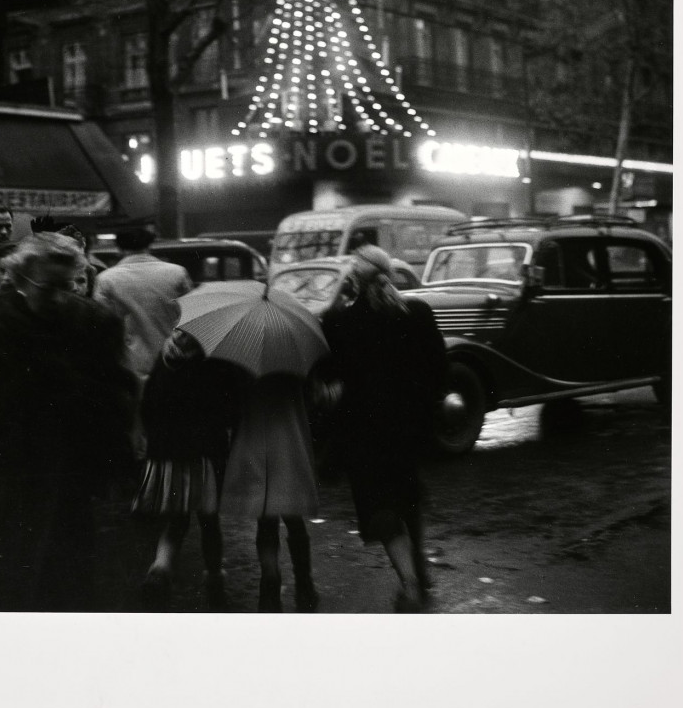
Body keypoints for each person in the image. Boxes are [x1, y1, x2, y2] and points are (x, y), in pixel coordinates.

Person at [0, 233, 137, 611]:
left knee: (71, 590)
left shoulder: (96, 325)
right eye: (47, 286)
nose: (59, 296)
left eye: (68, 285)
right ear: (21, 280)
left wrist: (116, 473)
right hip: (3, 487)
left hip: (72, 485)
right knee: (14, 590)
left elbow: (117, 401)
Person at [319, 244, 449, 613]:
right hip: (408, 428)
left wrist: (338, 298)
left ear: (353, 281)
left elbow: (329, 372)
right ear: (389, 273)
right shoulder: (417, 313)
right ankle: (419, 569)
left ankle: (409, 581)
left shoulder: (340, 322)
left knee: (379, 507)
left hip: (362, 432)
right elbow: (439, 368)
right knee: (407, 500)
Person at [133, 329, 239, 611]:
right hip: (204, 454)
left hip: (167, 453)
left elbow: (148, 403)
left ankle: (159, 569)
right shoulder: (212, 362)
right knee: (209, 521)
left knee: (176, 520)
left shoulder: (165, 356)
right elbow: (225, 408)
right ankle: (214, 577)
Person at [220, 370, 320, 613]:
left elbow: (231, 406)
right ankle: (304, 581)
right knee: (294, 518)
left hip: (254, 443)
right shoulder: (292, 363)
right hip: (289, 443)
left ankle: (270, 577)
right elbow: (312, 398)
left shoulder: (243, 364)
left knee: (265, 520)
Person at [93, 224, 192, 455]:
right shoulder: (177, 273)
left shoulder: (106, 279)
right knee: (169, 427)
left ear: (119, 249)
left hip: (129, 364)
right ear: (150, 246)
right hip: (172, 361)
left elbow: (103, 326)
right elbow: (190, 316)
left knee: (136, 427)